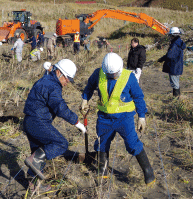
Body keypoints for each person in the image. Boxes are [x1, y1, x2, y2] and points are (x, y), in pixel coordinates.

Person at [80, 52, 155, 185]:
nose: (113, 76)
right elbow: (89, 87)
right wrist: (85, 100)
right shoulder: (99, 73)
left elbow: (138, 97)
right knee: (102, 143)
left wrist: (141, 117)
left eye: (115, 74)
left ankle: (148, 170)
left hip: (124, 119)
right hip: (104, 118)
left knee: (132, 144)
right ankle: (103, 169)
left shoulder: (129, 77)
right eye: (111, 75)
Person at [23, 59, 86, 191]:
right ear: (58, 72)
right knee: (61, 143)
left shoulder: (45, 80)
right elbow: (60, 107)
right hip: (38, 121)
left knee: (38, 153)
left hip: (29, 121)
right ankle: (33, 167)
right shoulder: (53, 85)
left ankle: (33, 185)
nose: (67, 82)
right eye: (67, 78)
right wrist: (76, 122)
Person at [158, 27, 186, 97]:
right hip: (177, 65)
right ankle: (177, 97)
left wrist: (162, 59)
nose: (170, 37)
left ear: (173, 35)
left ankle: (176, 98)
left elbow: (170, 56)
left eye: (170, 35)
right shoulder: (179, 42)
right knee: (176, 82)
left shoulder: (174, 45)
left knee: (174, 83)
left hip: (174, 66)